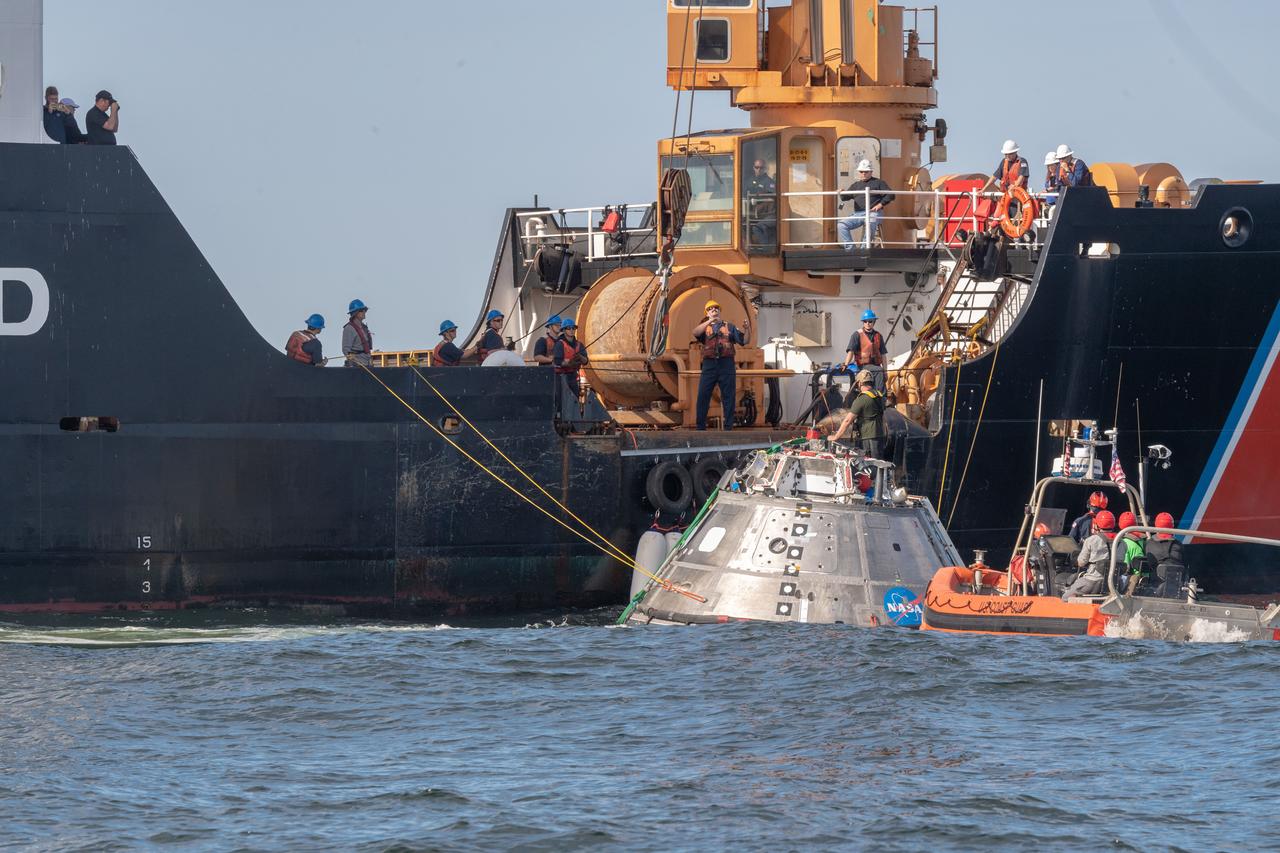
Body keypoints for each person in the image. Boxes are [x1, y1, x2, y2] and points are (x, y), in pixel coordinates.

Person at [693, 299, 748, 430]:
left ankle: (728, 427)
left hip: (726, 364)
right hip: (709, 364)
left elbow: (744, 340)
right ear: (706, 312)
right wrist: (709, 320)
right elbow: (695, 332)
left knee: (728, 396)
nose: (714, 310)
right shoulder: (704, 327)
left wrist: (747, 329)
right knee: (703, 395)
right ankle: (700, 427)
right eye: (711, 309)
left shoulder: (729, 327)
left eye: (716, 308)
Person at [838, 160, 894, 249]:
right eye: (861, 171)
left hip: (873, 213)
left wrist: (880, 205)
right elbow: (845, 197)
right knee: (841, 225)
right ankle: (851, 250)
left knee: (870, 221)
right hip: (858, 214)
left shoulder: (879, 182)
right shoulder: (855, 185)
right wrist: (841, 192)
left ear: (871, 172)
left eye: (866, 172)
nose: (863, 173)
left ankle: (864, 249)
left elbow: (891, 194)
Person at [829, 370, 885, 458]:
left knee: (869, 463)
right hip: (880, 434)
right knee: (879, 462)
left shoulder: (862, 399)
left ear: (859, 383)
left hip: (868, 437)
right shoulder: (879, 395)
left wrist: (836, 436)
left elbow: (847, 420)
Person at [1062, 510, 1116, 599]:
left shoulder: (1091, 540)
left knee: (1065, 597)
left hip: (1093, 580)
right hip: (1113, 583)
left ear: (1097, 524)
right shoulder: (1121, 540)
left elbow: (1081, 563)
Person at [841, 309, 887, 393]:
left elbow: (883, 355)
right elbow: (850, 352)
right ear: (863, 322)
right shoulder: (857, 335)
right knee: (879, 371)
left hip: (876, 365)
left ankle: (878, 395)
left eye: (870, 321)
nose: (868, 323)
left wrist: (885, 371)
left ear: (874, 322)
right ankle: (881, 397)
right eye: (865, 321)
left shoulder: (878, 335)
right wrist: (846, 364)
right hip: (863, 366)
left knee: (881, 371)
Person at [1144, 511, 1187, 597]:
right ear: (1172, 526)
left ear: (1156, 525)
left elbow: (1149, 563)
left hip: (1154, 587)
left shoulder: (1149, 543)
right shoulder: (1178, 544)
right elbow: (1185, 563)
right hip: (1177, 588)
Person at [552, 318, 589, 395]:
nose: (572, 330)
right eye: (568, 328)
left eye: (573, 328)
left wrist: (580, 357)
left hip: (573, 377)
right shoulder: (559, 344)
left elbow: (586, 361)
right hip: (560, 378)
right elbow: (557, 361)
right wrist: (570, 363)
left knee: (575, 398)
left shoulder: (579, 345)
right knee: (562, 400)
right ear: (564, 330)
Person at [1116, 510, 1146, 593]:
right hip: (1145, 579)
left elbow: (1124, 568)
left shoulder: (1124, 542)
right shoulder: (1145, 539)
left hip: (1132, 580)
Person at [342, 299, 374, 367]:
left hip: (367, 364)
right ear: (355, 313)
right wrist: (353, 360)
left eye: (365, 310)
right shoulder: (349, 328)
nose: (364, 312)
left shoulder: (364, 328)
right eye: (362, 310)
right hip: (357, 366)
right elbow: (346, 349)